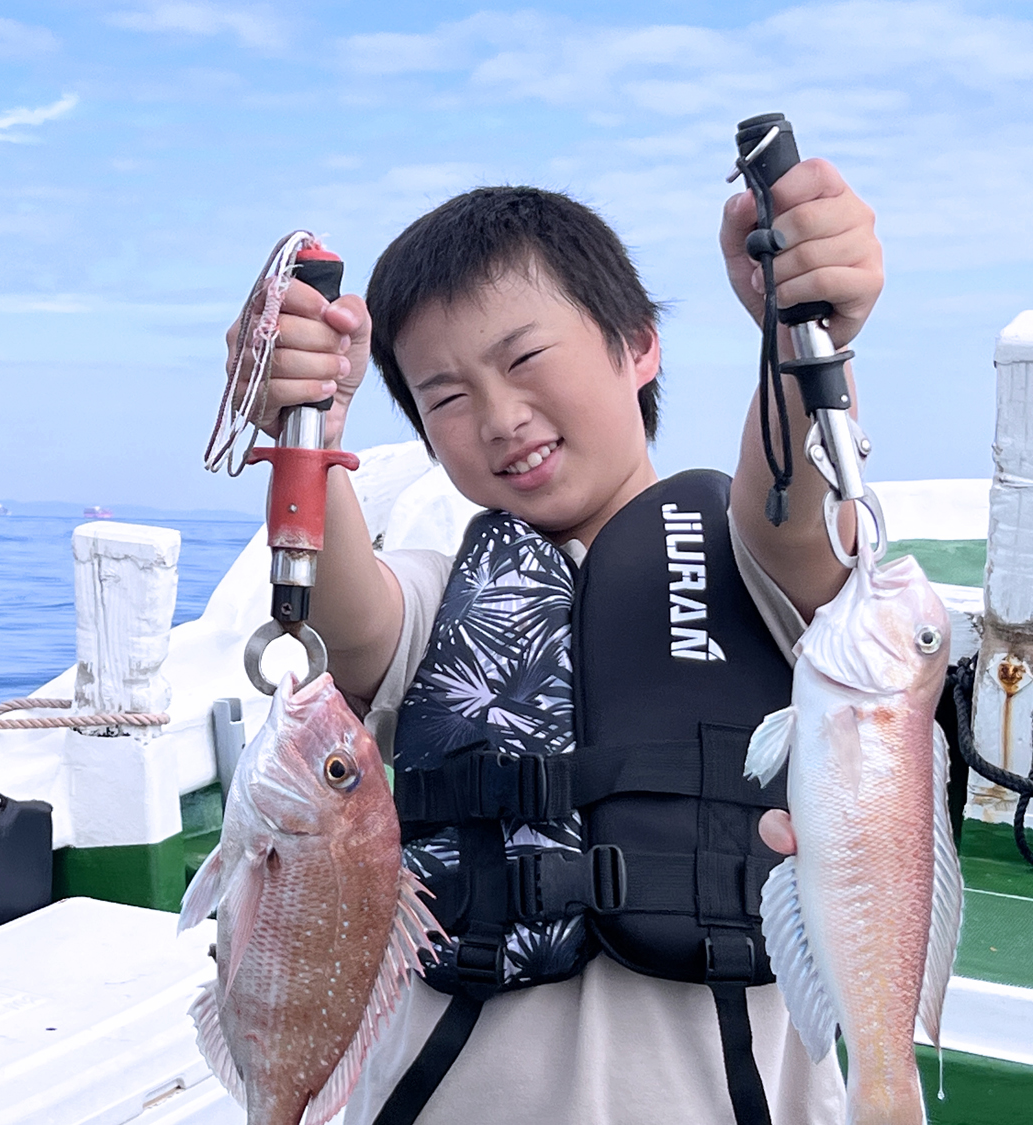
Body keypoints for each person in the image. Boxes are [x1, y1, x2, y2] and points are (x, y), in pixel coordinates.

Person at [233, 157, 882, 1125]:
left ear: (636, 345)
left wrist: (801, 329)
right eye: (444, 398)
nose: (498, 418)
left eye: (524, 358)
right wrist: (304, 430)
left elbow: (790, 510)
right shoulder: (434, 589)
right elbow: (347, 621)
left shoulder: (759, 574)